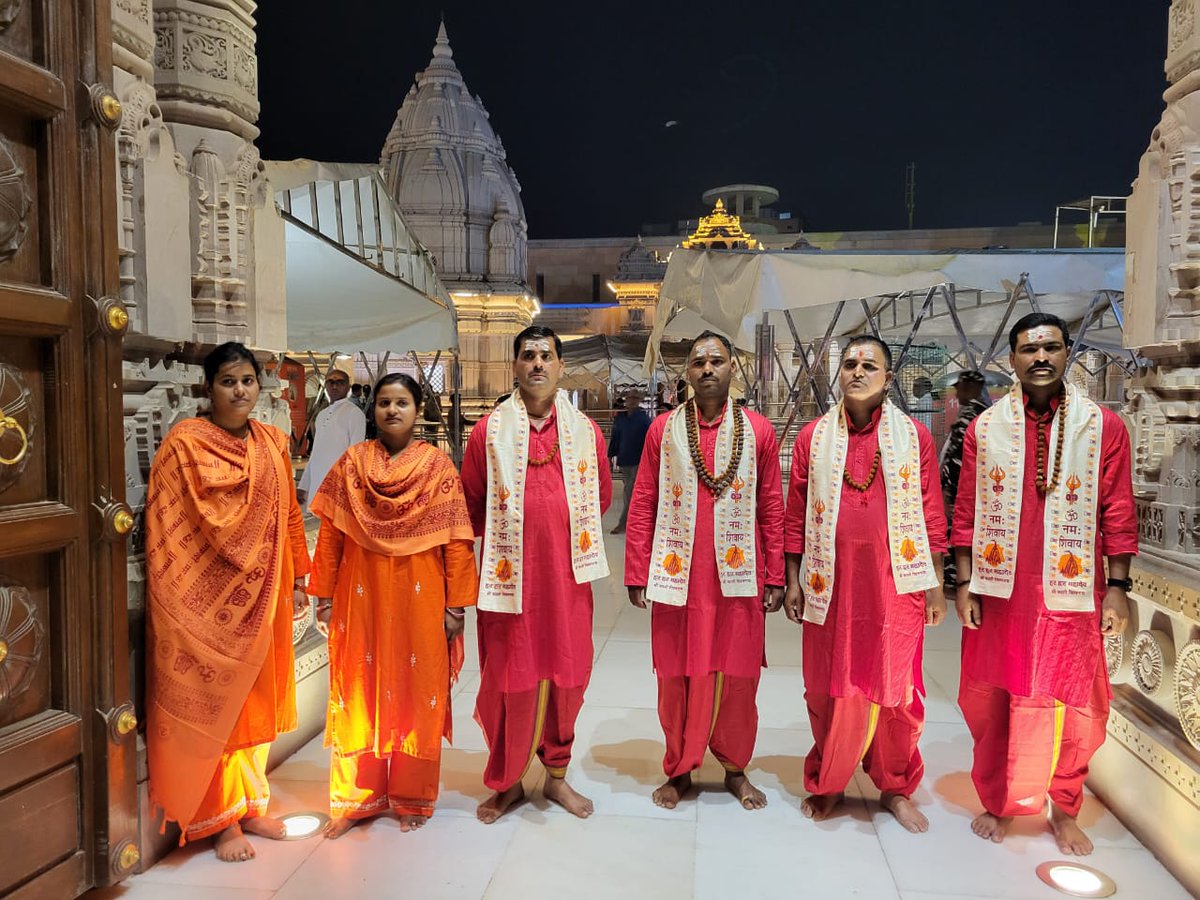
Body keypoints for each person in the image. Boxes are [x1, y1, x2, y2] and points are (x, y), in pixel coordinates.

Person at [952, 313, 1136, 855]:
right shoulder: (987, 428)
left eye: (1051, 348)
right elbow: (965, 510)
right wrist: (964, 584)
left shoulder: (1102, 426)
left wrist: (1118, 587)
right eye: (1028, 350)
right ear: (1011, 359)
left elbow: (1118, 509)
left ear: (1066, 354)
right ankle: (1004, 801)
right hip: (1000, 586)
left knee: (1077, 699)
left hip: (1072, 591)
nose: (1040, 358)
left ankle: (1064, 806)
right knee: (993, 695)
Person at [145, 342, 311, 862]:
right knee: (219, 707)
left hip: (264, 597)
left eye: (247, 381)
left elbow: (287, 514)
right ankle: (218, 821)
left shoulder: (272, 443)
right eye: (228, 382)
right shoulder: (185, 444)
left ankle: (251, 802)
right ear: (207, 388)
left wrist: (300, 577)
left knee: (254, 703)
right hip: (203, 605)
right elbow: (166, 523)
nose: (240, 391)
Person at [783, 335, 947, 832]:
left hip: (895, 586)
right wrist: (791, 580)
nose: (857, 371)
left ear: (888, 378)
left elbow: (931, 512)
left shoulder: (914, 437)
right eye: (849, 363)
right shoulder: (813, 437)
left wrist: (935, 585)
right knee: (828, 686)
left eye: (868, 365)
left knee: (898, 687)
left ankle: (895, 786)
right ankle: (829, 780)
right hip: (827, 584)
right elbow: (795, 516)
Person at [307, 373, 478, 838]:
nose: (392, 411)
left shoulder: (437, 467)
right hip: (360, 595)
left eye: (402, 402)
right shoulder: (352, 463)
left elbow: (457, 541)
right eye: (383, 402)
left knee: (416, 690)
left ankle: (412, 796)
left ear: (418, 410)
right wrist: (322, 595)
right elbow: (332, 534)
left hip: (420, 595)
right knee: (357, 691)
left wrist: (456, 607)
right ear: (373, 409)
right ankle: (356, 800)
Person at [624, 331, 785, 811]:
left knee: (737, 677)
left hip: (737, 580)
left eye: (717, 360)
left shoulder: (758, 430)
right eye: (698, 362)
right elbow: (644, 501)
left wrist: (775, 574)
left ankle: (735, 770)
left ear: (733, 369)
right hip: (680, 578)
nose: (708, 369)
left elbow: (771, 506)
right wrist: (637, 569)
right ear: (687, 373)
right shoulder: (663, 430)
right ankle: (680, 768)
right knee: (677, 675)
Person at [461, 325, 613, 823]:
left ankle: (557, 778)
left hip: (566, 583)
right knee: (510, 677)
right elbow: (472, 502)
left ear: (561, 366)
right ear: (515, 367)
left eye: (547, 356)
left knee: (567, 676)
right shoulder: (488, 430)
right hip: (509, 584)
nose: (538, 364)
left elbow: (601, 498)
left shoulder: (585, 432)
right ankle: (507, 781)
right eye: (528, 356)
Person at [939, 370, 989, 591]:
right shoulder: (985, 414)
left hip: (961, 493)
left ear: (971, 387)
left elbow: (955, 461)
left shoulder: (969, 416)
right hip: (980, 493)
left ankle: (957, 580)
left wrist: (947, 492)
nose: (957, 392)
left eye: (960, 386)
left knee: (956, 538)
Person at [297, 364, 366, 515]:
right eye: (331, 382)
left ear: (348, 387)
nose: (335, 386)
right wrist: (304, 485)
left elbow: (356, 454)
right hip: (317, 483)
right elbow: (315, 453)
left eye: (340, 382)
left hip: (340, 484)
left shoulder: (354, 413)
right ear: (326, 385)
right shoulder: (322, 415)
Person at [608, 388, 652, 534]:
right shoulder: (621, 419)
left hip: (638, 461)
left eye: (634, 398)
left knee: (629, 492)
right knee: (629, 491)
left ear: (638, 401)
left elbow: (650, 441)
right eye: (629, 398)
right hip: (625, 460)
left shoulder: (644, 419)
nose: (632, 401)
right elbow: (616, 437)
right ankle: (634, 522)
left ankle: (624, 523)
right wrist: (610, 456)